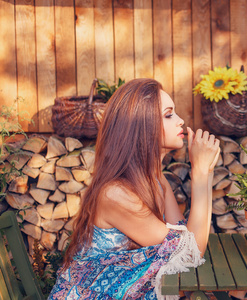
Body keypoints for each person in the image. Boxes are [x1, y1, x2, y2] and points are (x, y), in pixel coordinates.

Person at [48, 78, 220, 299]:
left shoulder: (156, 178)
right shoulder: (116, 194)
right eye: (168, 115)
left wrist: (206, 171)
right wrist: (200, 172)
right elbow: (190, 252)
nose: (181, 121)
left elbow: (187, 240)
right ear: (141, 126)